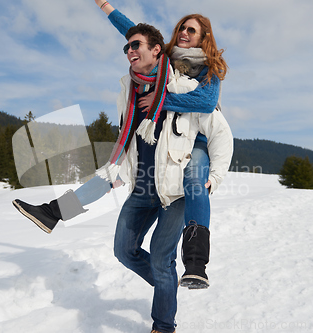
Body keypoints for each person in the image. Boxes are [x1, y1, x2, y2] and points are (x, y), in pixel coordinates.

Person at [14, 20, 232, 333]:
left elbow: (220, 131)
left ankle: (164, 324)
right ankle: (55, 214)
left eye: (136, 45)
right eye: (126, 46)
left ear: (157, 51)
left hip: (173, 192)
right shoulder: (128, 89)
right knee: (124, 251)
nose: (129, 50)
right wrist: (120, 167)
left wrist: (217, 174)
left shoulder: (182, 87)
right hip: (141, 187)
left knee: (161, 259)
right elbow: (127, 134)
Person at [94, 0, 229, 289]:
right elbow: (133, 33)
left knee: (194, 180)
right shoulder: (167, 56)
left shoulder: (209, 67)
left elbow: (206, 103)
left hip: (199, 138)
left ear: (204, 37)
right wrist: (105, 6)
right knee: (128, 247)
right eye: (181, 26)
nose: (183, 32)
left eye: (190, 29)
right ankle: (167, 284)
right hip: (172, 139)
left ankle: (195, 263)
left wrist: (159, 100)